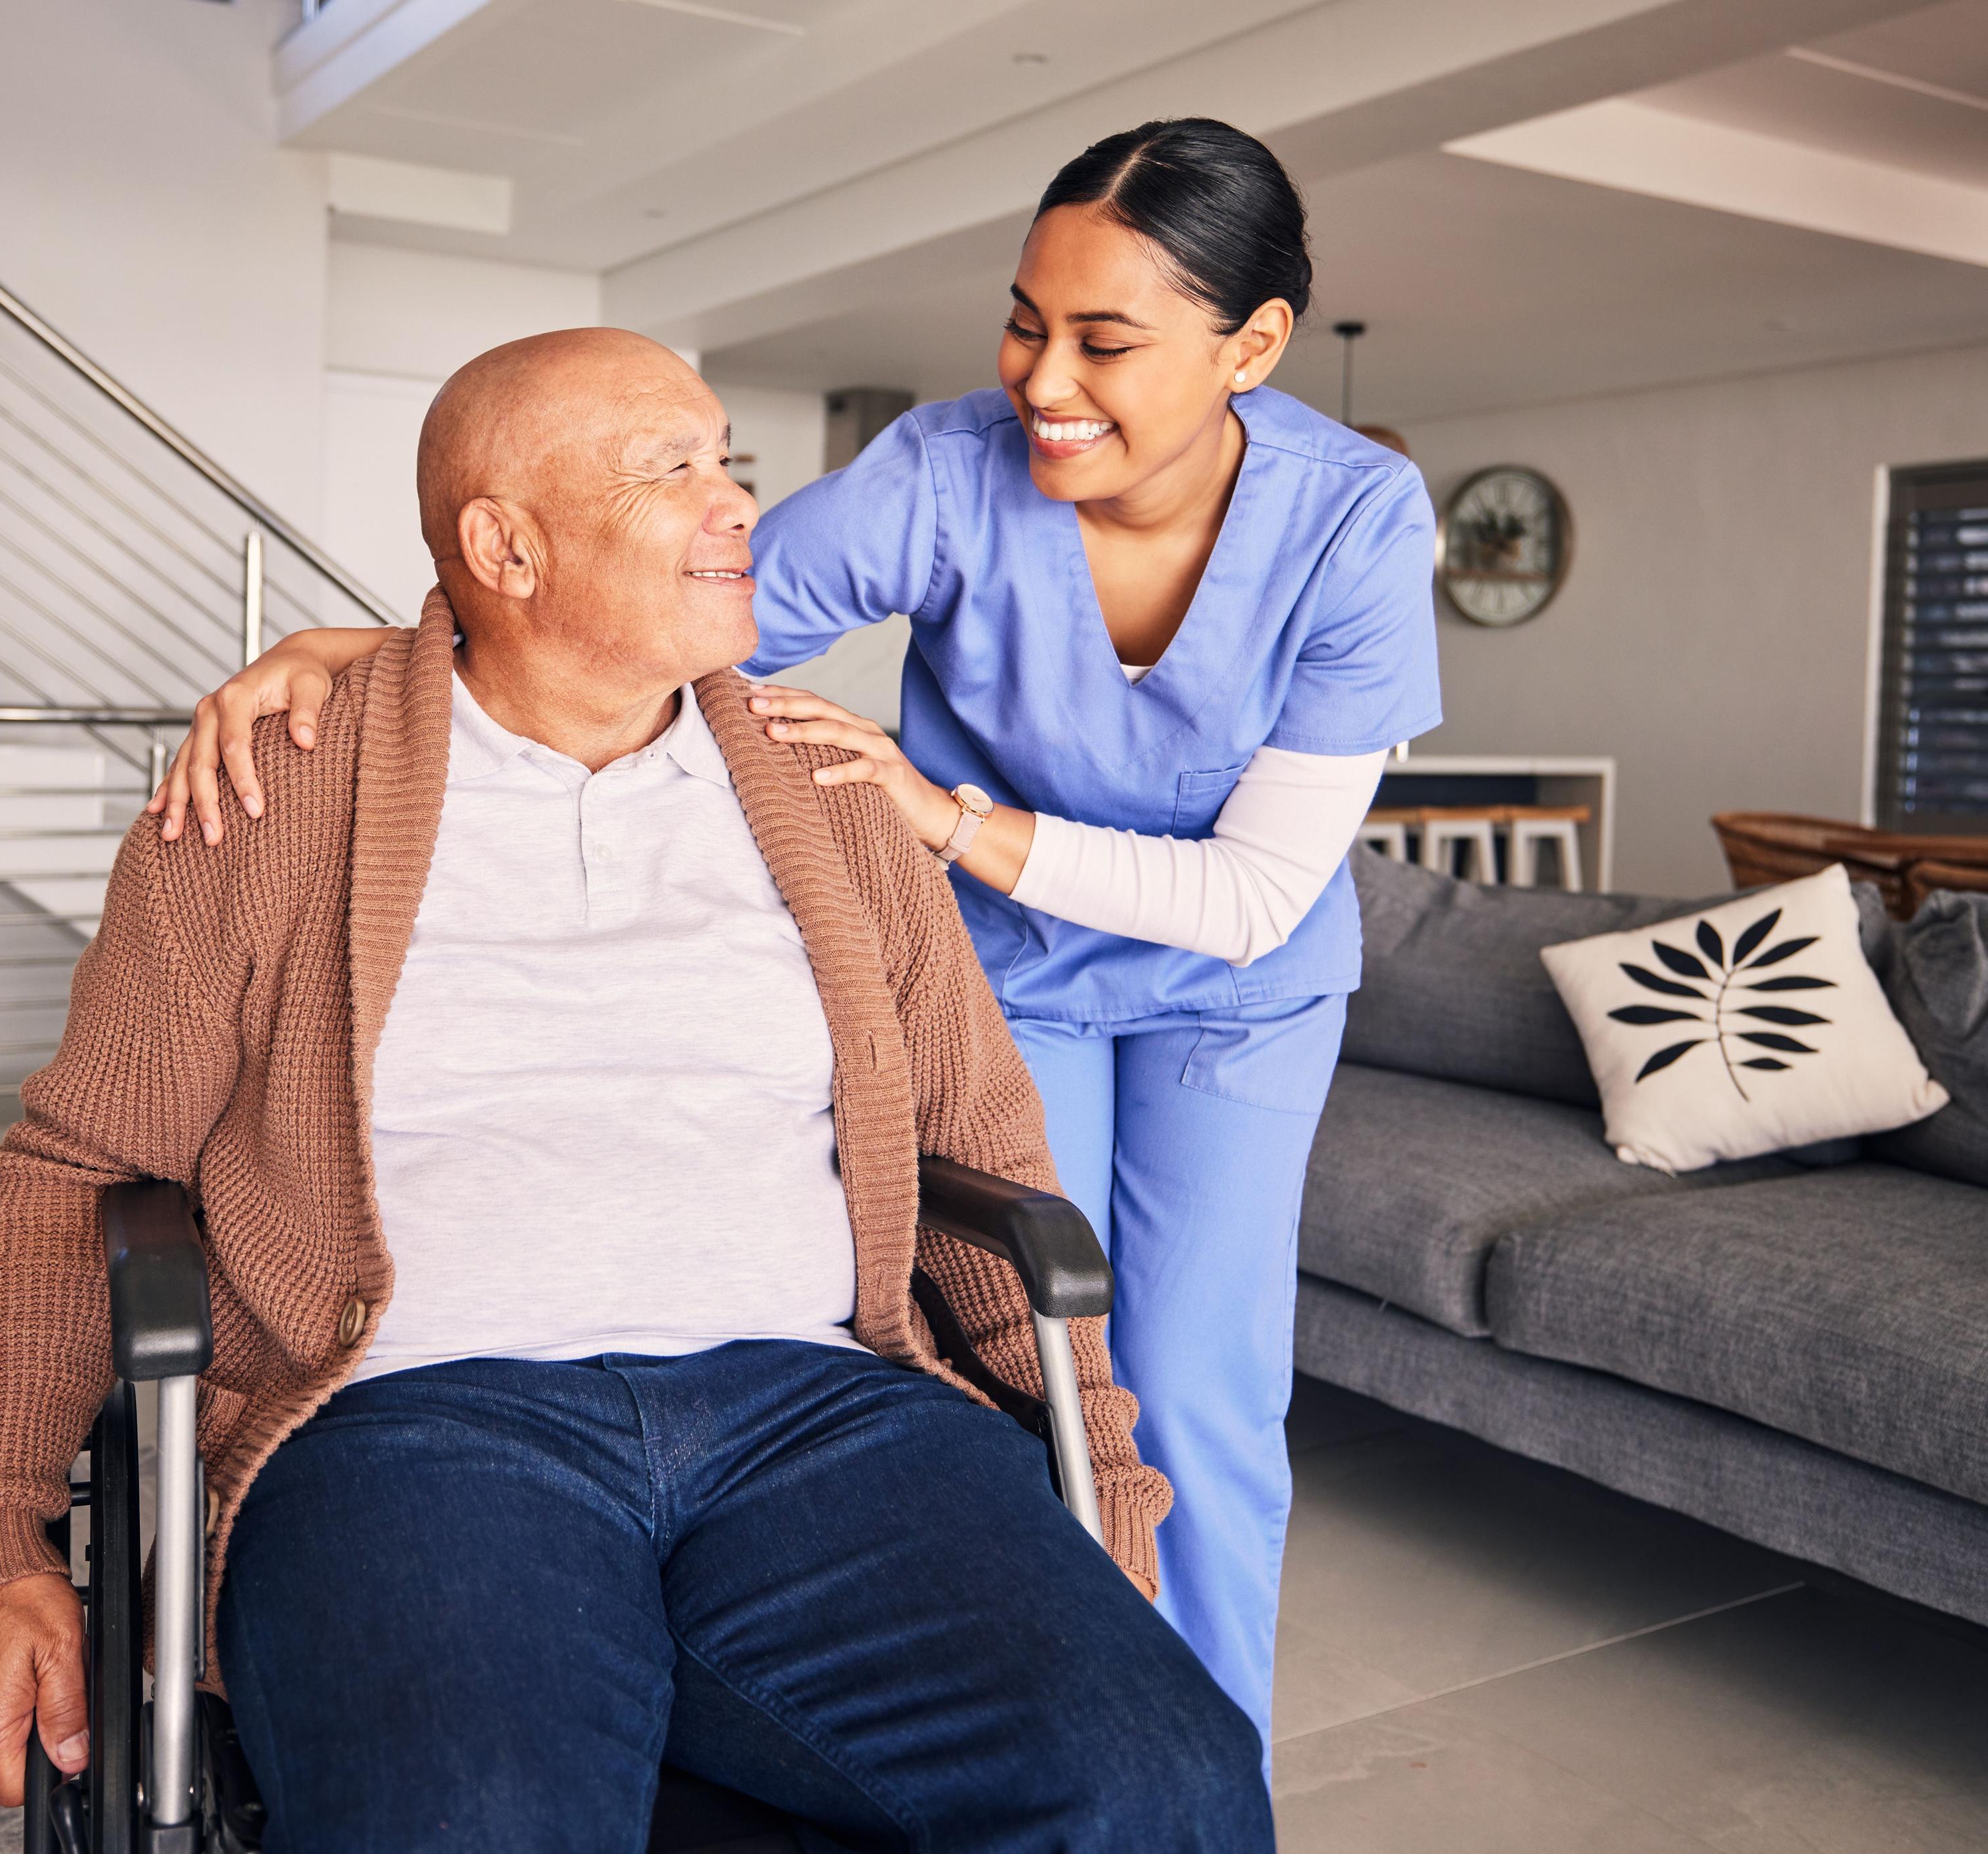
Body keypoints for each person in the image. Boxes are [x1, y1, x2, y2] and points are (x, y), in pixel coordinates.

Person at [140, 120, 1441, 1761]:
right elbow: (655, 607)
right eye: (1025, 320)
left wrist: (941, 817)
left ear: (1251, 346)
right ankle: (976, 1692)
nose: (1044, 379)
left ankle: (1194, 1747)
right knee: (1039, 1346)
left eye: (1105, 341)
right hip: (1008, 972)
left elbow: (1252, 896)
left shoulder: (1357, 518)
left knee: (1201, 1388)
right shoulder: (946, 470)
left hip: (1239, 987)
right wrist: (368, 650)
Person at [0, 327, 1272, 1851]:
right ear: (507, 548)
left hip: (820, 1413)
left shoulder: (833, 791)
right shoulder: (273, 787)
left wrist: (1102, 1474)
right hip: (414, 1421)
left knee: (1166, 1776)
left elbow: (989, 1150)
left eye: (726, 460)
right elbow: (78, 1169)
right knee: (476, 1815)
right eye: (669, 468)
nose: (737, 500)